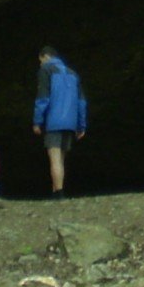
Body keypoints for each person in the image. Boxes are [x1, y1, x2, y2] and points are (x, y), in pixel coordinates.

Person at [32, 45, 87, 197]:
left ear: (45, 57)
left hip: (54, 121)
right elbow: (81, 102)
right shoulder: (73, 73)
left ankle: (59, 193)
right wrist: (81, 125)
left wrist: (37, 121)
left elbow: (43, 98)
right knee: (61, 159)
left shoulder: (46, 70)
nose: (40, 63)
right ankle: (56, 190)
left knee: (54, 159)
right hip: (70, 122)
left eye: (40, 60)